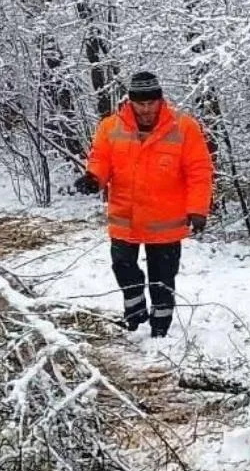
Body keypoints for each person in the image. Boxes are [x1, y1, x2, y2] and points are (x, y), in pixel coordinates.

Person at [74, 71, 214, 338]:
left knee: (162, 277)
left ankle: (161, 329)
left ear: (160, 101)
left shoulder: (184, 127)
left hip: (166, 220)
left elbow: (199, 170)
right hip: (124, 217)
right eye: (141, 104)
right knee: (123, 267)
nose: (147, 109)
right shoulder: (110, 127)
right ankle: (134, 314)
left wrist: (198, 208)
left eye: (152, 103)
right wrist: (94, 179)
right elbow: (101, 160)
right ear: (131, 102)